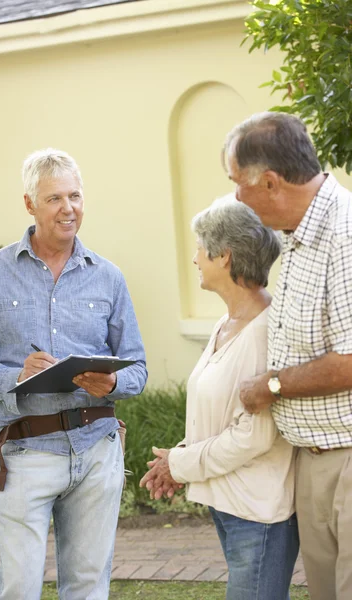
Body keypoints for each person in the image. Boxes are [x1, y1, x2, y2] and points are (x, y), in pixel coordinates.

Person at [0, 148, 147, 600]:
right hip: (24, 452)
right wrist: (15, 376)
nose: (69, 208)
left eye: (75, 196)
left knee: (87, 587)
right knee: (19, 588)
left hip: (97, 448)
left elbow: (137, 367)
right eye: (55, 198)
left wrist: (113, 382)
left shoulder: (109, 277)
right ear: (29, 205)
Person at [140, 195, 299, 600]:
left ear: (224, 255)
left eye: (199, 248)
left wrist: (180, 464)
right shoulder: (226, 324)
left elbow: (255, 436)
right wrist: (177, 457)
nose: (195, 258)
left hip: (259, 512)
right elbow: (220, 413)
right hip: (231, 506)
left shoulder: (266, 332)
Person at [223, 111, 352, 600]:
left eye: (239, 183)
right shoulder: (296, 234)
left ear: (271, 182)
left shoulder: (343, 236)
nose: (237, 196)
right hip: (316, 460)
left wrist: (271, 386)